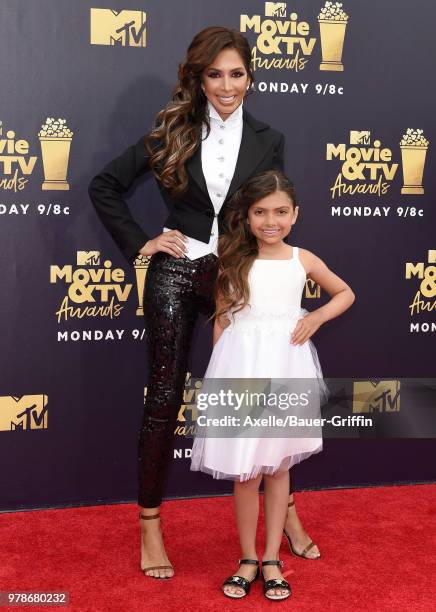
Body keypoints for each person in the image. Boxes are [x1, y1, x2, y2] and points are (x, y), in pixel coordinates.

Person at [88, 26, 319, 580]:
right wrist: (140, 240)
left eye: (236, 73)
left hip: (237, 275)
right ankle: (149, 524)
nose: (226, 85)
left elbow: (273, 206)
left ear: (250, 78)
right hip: (175, 268)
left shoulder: (269, 137)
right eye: (214, 74)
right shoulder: (173, 130)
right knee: (165, 394)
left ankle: (284, 512)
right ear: (197, 77)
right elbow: (105, 185)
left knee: (263, 390)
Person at [190, 170, 355, 600]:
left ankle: (271, 558)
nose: (271, 221)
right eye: (260, 212)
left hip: (286, 366)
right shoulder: (232, 260)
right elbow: (223, 320)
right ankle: (246, 558)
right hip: (242, 367)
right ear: (246, 217)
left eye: (281, 212)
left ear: (295, 215)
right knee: (245, 470)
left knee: (279, 466)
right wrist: (217, 379)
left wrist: (315, 316)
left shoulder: (304, 259)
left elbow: (344, 293)